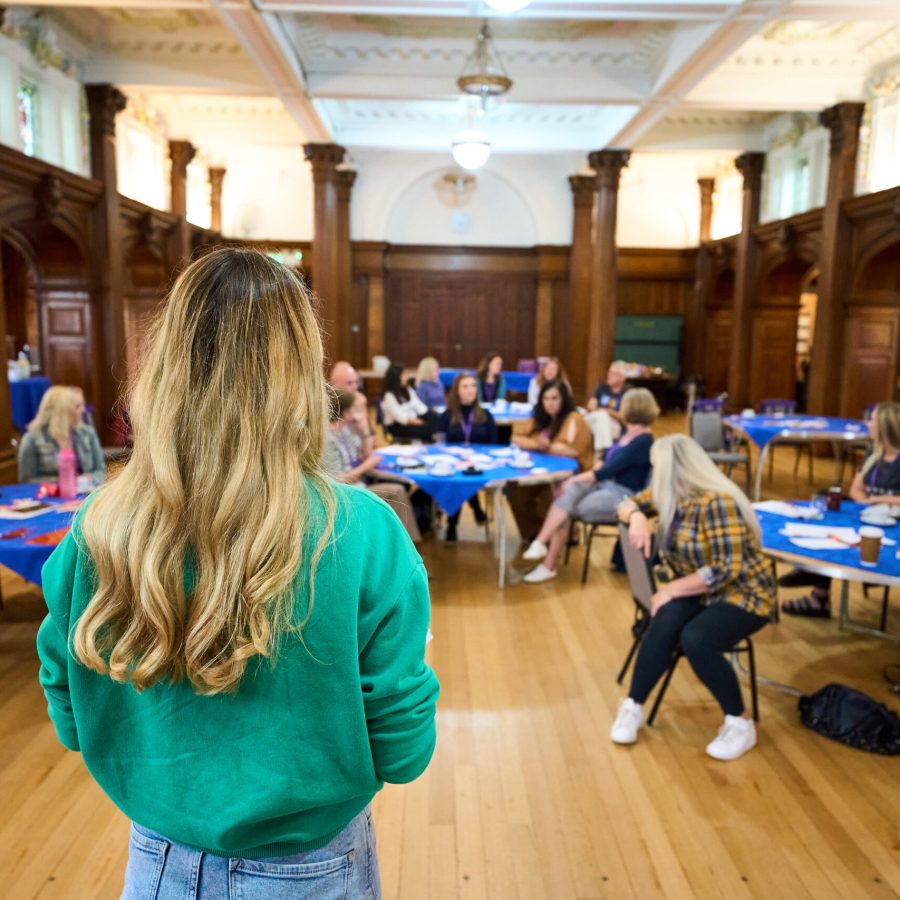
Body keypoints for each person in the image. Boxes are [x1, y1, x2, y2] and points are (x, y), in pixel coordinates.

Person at [36, 248, 439, 897]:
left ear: (167, 367)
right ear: (300, 374)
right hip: (311, 866)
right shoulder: (361, 530)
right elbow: (404, 750)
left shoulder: (100, 525)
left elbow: (70, 709)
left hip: (158, 856)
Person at [611, 434, 775, 761]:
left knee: (696, 638)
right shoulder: (671, 495)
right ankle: (633, 705)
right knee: (664, 620)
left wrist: (670, 589)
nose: (652, 474)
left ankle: (740, 723)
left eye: (657, 468)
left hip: (744, 594)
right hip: (697, 588)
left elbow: (727, 569)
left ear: (675, 470)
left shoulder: (716, 502)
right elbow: (625, 504)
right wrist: (637, 517)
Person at [519, 388, 659, 583]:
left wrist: (574, 478)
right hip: (605, 485)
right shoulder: (627, 434)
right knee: (569, 492)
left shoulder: (643, 441)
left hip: (622, 495)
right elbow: (604, 462)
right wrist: (577, 480)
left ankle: (547, 562)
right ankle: (541, 545)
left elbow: (606, 470)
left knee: (566, 500)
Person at [780, 400, 900, 617]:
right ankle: (815, 576)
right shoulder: (874, 453)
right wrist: (872, 501)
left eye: (872, 421)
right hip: (869, 513)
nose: (868, 425)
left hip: (892, 522)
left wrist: (878, 499)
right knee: (826, 504)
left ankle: (815, 580)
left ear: (886, 426)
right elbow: (856, 490)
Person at [325, 389, 422, 542]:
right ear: (346, 412)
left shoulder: (344, 431)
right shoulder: (328, 439)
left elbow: (364, 455)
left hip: (358, 482)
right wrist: (366, 465)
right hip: (346, 490)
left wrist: (364, 432)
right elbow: (337, 480)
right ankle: (406, 544)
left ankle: (403, 542)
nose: (358, 414)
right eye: (354, 409)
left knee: (402, 481)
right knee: (397, 492)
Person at [506, 379, 594, 542]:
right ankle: (537, 534)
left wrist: (540, 445)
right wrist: (537, 443)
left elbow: (569, 450)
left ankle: (562, 534)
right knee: (515, 491)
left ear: (564, 399)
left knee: (550, 492)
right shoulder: (540, 418)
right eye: (546, 398)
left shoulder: (574, 418)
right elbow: (516, 437)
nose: (550, 403)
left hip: (572, 476)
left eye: (554, 398)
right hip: (539, 471)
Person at [436, 373, 498, 541]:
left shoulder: (486, 415)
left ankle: (452, 525)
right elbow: (439, 443)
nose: (471, 390)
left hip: (481, 463)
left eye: (473, 386)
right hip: (454, 463)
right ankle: (476, 509)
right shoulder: (447, 415)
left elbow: (493, 444)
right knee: (459, 479)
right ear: (457, 391)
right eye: (465, 386)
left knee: (464, 478)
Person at [18, 385, 106, 484]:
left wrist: (89, 479)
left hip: (88, 494)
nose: (83, 410)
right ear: (61, 411)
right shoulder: (31, 439)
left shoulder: (88, 433)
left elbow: (101, 471)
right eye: (77, 406)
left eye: (83, 405)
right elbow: (26, 480)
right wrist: (65, 482)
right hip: (50, 497)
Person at [381, 362, 437, 441]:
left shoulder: (408, 390)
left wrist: (430, 415)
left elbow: (420, 407)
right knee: (425, 430)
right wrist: (418, 422)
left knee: (435, 417)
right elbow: (401, 418)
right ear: (396, 377)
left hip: (413, 419)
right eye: (404, 375)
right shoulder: (389, 396)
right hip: (398, 426)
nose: (407, 377)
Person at [585, 360, 629, 451]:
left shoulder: (627, 394)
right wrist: (606, 411)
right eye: (609, 372)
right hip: (594, 419)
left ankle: (601, 453)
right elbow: (590, 406)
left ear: (622, 378)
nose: (609, 375)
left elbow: (624, 417)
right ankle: (604, 453)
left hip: (614, 425)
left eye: (613, 373)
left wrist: (606, 412)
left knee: (602, 418)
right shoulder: (601, 388)